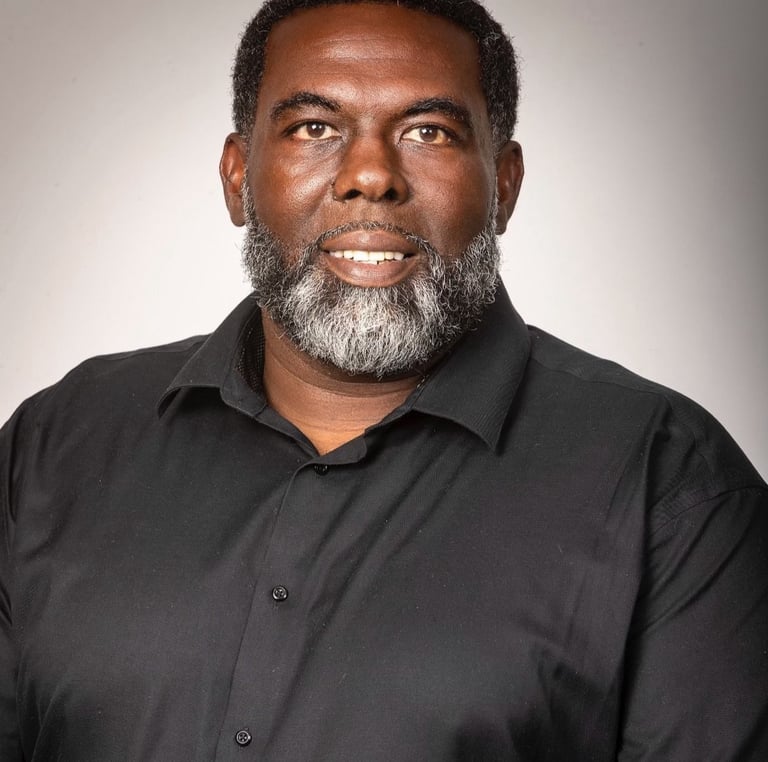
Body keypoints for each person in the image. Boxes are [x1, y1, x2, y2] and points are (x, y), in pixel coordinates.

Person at [1, 0, 766, 759]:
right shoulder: (55, 446)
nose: (370, 176)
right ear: (238, 177)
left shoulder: (669, 483)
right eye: (314, 128)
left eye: (427, 132)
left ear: (504, 184)